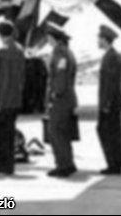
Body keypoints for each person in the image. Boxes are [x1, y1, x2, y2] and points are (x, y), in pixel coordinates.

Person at [0, 20, 25, 176]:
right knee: (9, 134)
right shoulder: (19, 49)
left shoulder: (4, 51)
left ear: (0, 34)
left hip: (4, 100)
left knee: (0, 134)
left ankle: (2, 165)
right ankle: (9, 166)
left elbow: (3, 79)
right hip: (15, 98)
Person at [45, 24, 78, 177]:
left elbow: (60, 75)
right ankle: (68, 163)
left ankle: (63, 165)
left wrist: (55, 94)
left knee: (56, 132)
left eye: (48, 38)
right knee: (63, 132)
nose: (47, 40)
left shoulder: (60, 53)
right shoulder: (67, 51)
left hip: (61, 99)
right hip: (67, 97)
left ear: (53, 38)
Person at [95, 24, 121, 175]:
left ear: (105, 39)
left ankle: (114, 164)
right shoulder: (110, 56)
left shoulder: (111, 57)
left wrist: (106, 104)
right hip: (110, 102)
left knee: (108, 132)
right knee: (112, 132)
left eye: (99, 38)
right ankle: (115, 163)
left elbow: (111, 83)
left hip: (110, 103)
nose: (97, 41)